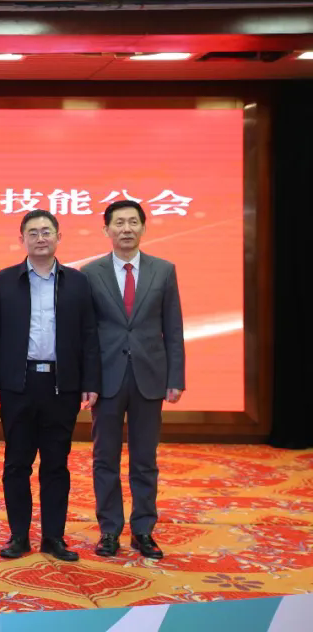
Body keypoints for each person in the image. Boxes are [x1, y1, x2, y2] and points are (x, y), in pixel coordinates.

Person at [0, 210, 101, 562]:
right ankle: (19, 536)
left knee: (56, 463)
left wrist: (90, 381)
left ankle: (54, 537)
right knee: (16, 463)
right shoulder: (5, 280)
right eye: (32, 232)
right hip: (18, 384)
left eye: (46, 231)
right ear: (21, 239)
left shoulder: (77, 282)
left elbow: (89, 334)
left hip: (61, 385)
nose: (40, 238)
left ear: (58, 237)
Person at [83, 200, 185, 559]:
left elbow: (173, 327)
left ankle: (143, 530)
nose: (126, 229)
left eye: (132, 222)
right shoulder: (90, 272)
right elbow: (85, 333)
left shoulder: (163, 270)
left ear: (143, 227)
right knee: (104, 458)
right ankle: (109, 530)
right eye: (118, 223)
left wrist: (176, 377)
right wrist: (87, 380)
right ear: (106, 230)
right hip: (107, 380)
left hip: (150, 376)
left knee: (145, 459)